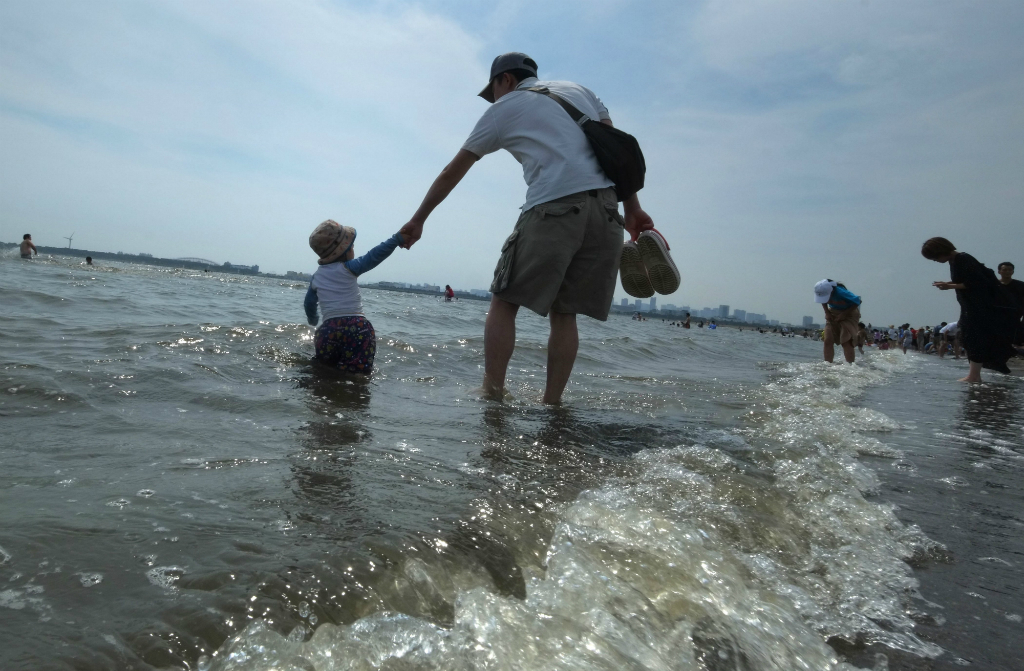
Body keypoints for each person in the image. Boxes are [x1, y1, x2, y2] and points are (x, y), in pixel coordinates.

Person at [397, 53, 655, 404]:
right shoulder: (581, 91)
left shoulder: (504, 109)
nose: (495, 100)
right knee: (565, 315)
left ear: (505, 80)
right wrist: (634, 209)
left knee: (504, 302)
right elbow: (617, 156)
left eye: (494, 91)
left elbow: (452, 171)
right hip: (608, 214)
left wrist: (418, 219)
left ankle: (493, 395)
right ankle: (552, 405)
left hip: (555, 207)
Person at [304, 220, 407, 374]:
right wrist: (396, 239)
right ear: (343, 251)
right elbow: (374, 255)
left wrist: (313, 320)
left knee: (324, 372)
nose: (353, 250)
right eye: (352, 247)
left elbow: (309, 303)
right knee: (357, 376)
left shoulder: (316, 277)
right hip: (357, 329)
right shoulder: (349, 267)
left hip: (327, 331)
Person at [922, 237, 1017, 381]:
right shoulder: (955, 261)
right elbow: (965, 280)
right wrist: (948, 283)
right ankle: (974, 374)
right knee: (970, 337)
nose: (935, 260)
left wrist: (950, 286)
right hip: (970, 306)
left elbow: (978, 282)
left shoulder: (963, 259)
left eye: (935, 257)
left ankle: (974, 376)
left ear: (940, 251)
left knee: (973, 337)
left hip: (980, 307)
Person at [814, 279, 862, 363]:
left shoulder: (841, 292)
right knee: (828, 340)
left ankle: (850, 365)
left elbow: (858, 301)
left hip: (850, 312)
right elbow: (823, 301)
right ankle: (828, 364)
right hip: (833, 311)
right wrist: (827, 312)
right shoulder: (822, 291)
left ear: (831, 291)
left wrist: (844, 314)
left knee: (846, 341)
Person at [997, 262, 1024, 349]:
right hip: (997, 316)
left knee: (1015, 341)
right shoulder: (993, 285)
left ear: (1013, 272)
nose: (1007, 272)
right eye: (1004, 270)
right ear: (999, 271)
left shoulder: (1020, 285)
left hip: (1015, 317)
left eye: (1010, 270)